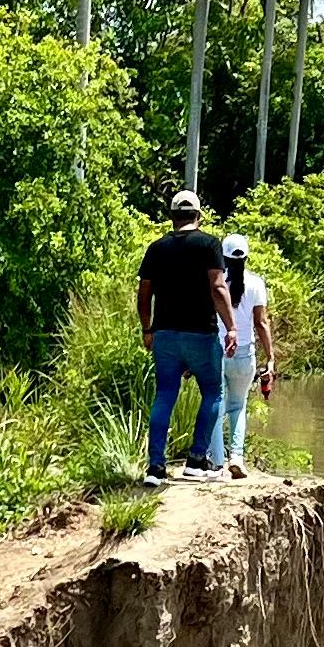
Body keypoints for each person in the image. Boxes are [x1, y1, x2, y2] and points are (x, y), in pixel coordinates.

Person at [134, 190, 233, 481]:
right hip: (201, 333)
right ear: (198, 216)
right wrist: (232, 327)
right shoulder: (209, 244)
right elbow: (217, 288)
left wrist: (147, 328)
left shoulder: (156, 248)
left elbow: (144, 294)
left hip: (164, 334)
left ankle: (156, 467)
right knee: (213, 392)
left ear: (172, 216)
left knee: (164, 394)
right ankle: (196, 460)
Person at [213, 234, 277, 479]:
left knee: (215, 404)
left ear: (224, 257)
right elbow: (261, 323)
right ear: (246, 257)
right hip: (244, 354)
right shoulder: (256, 283)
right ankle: (236, 457)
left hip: (217, 350)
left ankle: (217, 461)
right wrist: (270, 356)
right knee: (238, 406)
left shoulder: (215, 282)